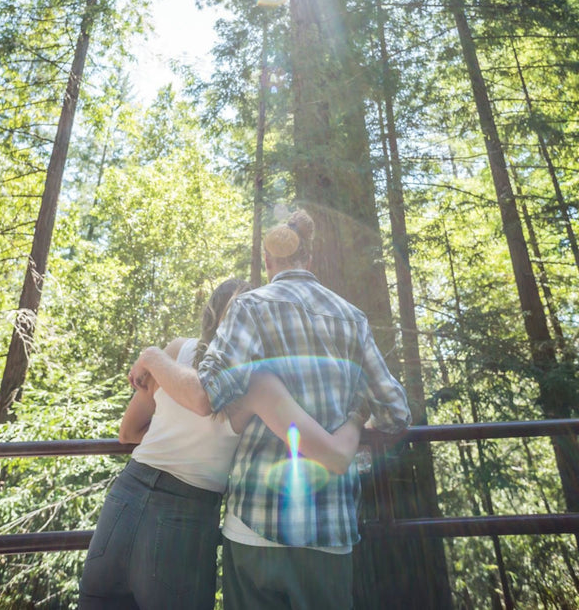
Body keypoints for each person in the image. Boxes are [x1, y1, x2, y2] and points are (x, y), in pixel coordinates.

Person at [130, 210, 411, 610]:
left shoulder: (251, 307)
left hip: (254, 526)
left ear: (268, 261)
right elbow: (396, 413)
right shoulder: (353, 318)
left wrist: (156, 358)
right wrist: (354, 420)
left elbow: (208, 394)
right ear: (309, 260)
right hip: (330, 529)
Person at [79, 278, 361, 610]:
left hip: (124, 498)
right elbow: (333, 455)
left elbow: (127, 432)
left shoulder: (174, 352)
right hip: (184, 513)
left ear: (209, 315)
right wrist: (357, 417)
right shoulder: (256, 384)